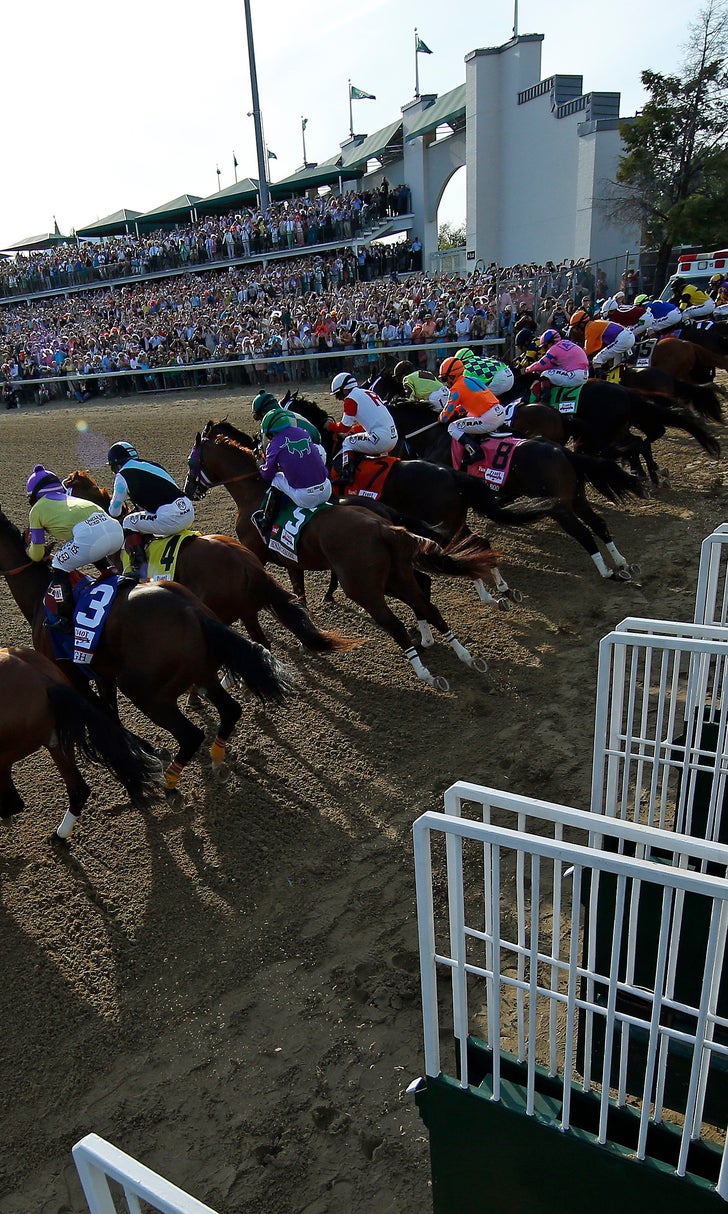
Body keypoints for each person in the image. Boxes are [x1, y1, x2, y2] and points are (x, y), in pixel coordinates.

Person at [26, 464, 124, 629]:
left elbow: (37, 553)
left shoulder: (36, 510)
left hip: (90, 536)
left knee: (59, 565)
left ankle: (65, 616)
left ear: (33, 495)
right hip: (115, 531)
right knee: (93, 548)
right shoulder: (72, 499)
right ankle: (115, 578)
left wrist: (29, 551)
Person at [107, 441, 195, 579]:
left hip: (170, 518)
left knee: (129, 522)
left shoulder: (122, 475)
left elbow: (115, 511)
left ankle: (139, 566)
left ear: (116, 465)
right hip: (188, 510)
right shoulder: (153, 465)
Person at [252, 407, 332, 540]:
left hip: (306, 498)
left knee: (277, 479)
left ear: (271, 432)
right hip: (327, 490)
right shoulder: (303, 432)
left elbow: (267, 474)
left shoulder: (274, 444)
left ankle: (266, 519)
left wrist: (260, 464)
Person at [326, 373, 398, 486]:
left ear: (344, 390)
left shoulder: (350, 399)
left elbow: (344, 427)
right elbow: (373, 421)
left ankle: (347, 475)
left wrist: (330, 426)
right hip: (392, 436)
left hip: (380, 439)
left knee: (347, 442)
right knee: (358, 438)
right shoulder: (368, 392)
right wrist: (355, 430)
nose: (338, 398)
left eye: (338, 394)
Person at [437, 356, 508, 466]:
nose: (445, 383)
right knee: (467, 415)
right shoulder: (472, 379)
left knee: (452, 427)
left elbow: (445, 416)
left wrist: (440, 417)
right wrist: (457, 410)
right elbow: (470, 404)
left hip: (490, 418)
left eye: (444, 379)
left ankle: (475, 451)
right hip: (501, 412)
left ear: (452, 376)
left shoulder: (456, 389)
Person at [525, 329, 589, 405]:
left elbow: (540, 364)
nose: (545, 349)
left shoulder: (554, 348)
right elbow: (551, 365)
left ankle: (544, 400)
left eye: (545, 346)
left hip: (574, 376)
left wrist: (528, 369)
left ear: (550, 342)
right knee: (553, 370)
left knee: (545, 374)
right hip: (584, 374)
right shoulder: (568, 343)